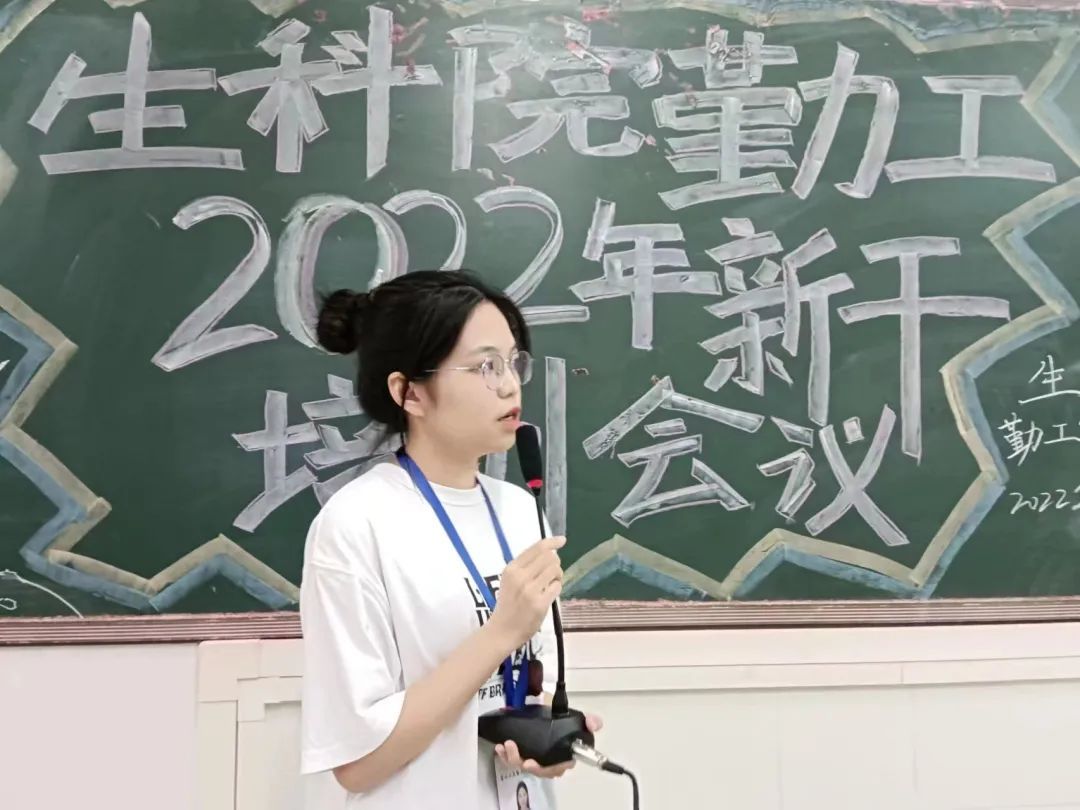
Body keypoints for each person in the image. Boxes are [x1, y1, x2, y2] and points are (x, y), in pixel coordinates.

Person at [299, 270, 602, 809]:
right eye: (485, 366)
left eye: (513, 362)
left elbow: (526, 684)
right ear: (410, 392)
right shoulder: (355, 525)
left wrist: (550, 740)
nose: (510, 385)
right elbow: (358, 765)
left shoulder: (518, 510)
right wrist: (500, 632)